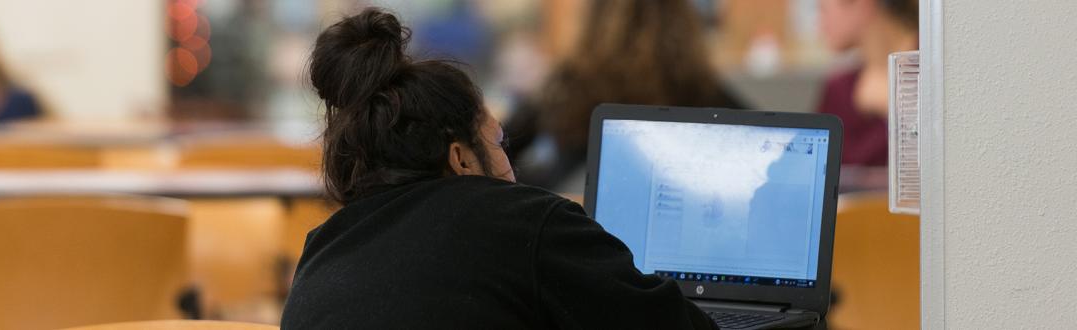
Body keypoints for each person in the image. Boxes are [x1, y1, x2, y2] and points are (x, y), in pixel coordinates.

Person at [282, 8, 717, 329]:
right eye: (499, 142)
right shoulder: (523, 220)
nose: (510, 164)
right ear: (461, 158)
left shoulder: (325, 246)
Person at [504, 0, 746, 192]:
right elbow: (751, 136)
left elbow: (501, 143)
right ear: (684, 21)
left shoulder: (572, 83)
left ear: (594, 19)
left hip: (573, 224)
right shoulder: (698, 86)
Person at [816, 0, 917, 166]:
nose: (818, 26)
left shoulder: (936, 65)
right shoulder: (839, 89)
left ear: (863, 4)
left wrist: (895, 104)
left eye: (823, 10)